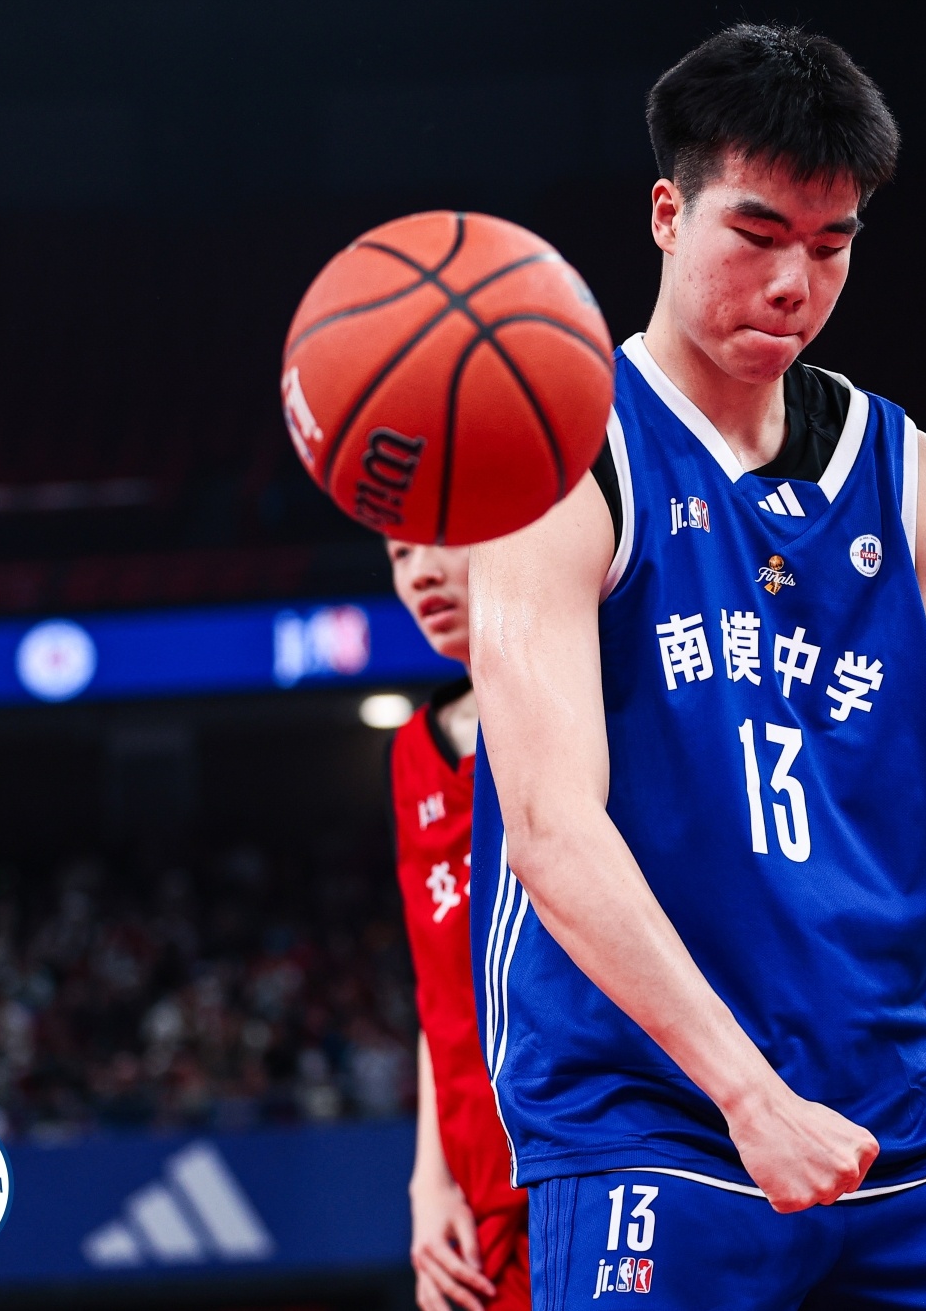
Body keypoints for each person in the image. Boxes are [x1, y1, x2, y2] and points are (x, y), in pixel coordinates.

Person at [467, 23, 926, 1308]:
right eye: (755, 235)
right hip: (655, 1120)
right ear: (666, 215)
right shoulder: (566, 464)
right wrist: (747, 1097)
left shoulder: (903, 471)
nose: (793, 282)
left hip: (896, 1123)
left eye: (829, 244)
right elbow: (548, 828)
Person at [387, 539, 526, 1311]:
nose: (420, 574)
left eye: (440, 544)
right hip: (478, 1207)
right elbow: (439, 992)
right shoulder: (411, 750)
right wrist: (428, 1183)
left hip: (598, 1156)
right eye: (399, 554)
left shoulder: (595, 695)